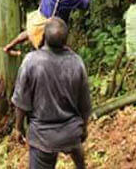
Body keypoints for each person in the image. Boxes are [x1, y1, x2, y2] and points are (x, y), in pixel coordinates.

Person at [12, 17, 92, 169]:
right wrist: (84, 128)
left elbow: (21, 101)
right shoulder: (77, 62)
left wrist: (19, 128)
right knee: (75, 148)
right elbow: (85, 104)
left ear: (43, 37)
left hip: (43, 136)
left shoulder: (31, 61)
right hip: (71, 132)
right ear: (66, 40)